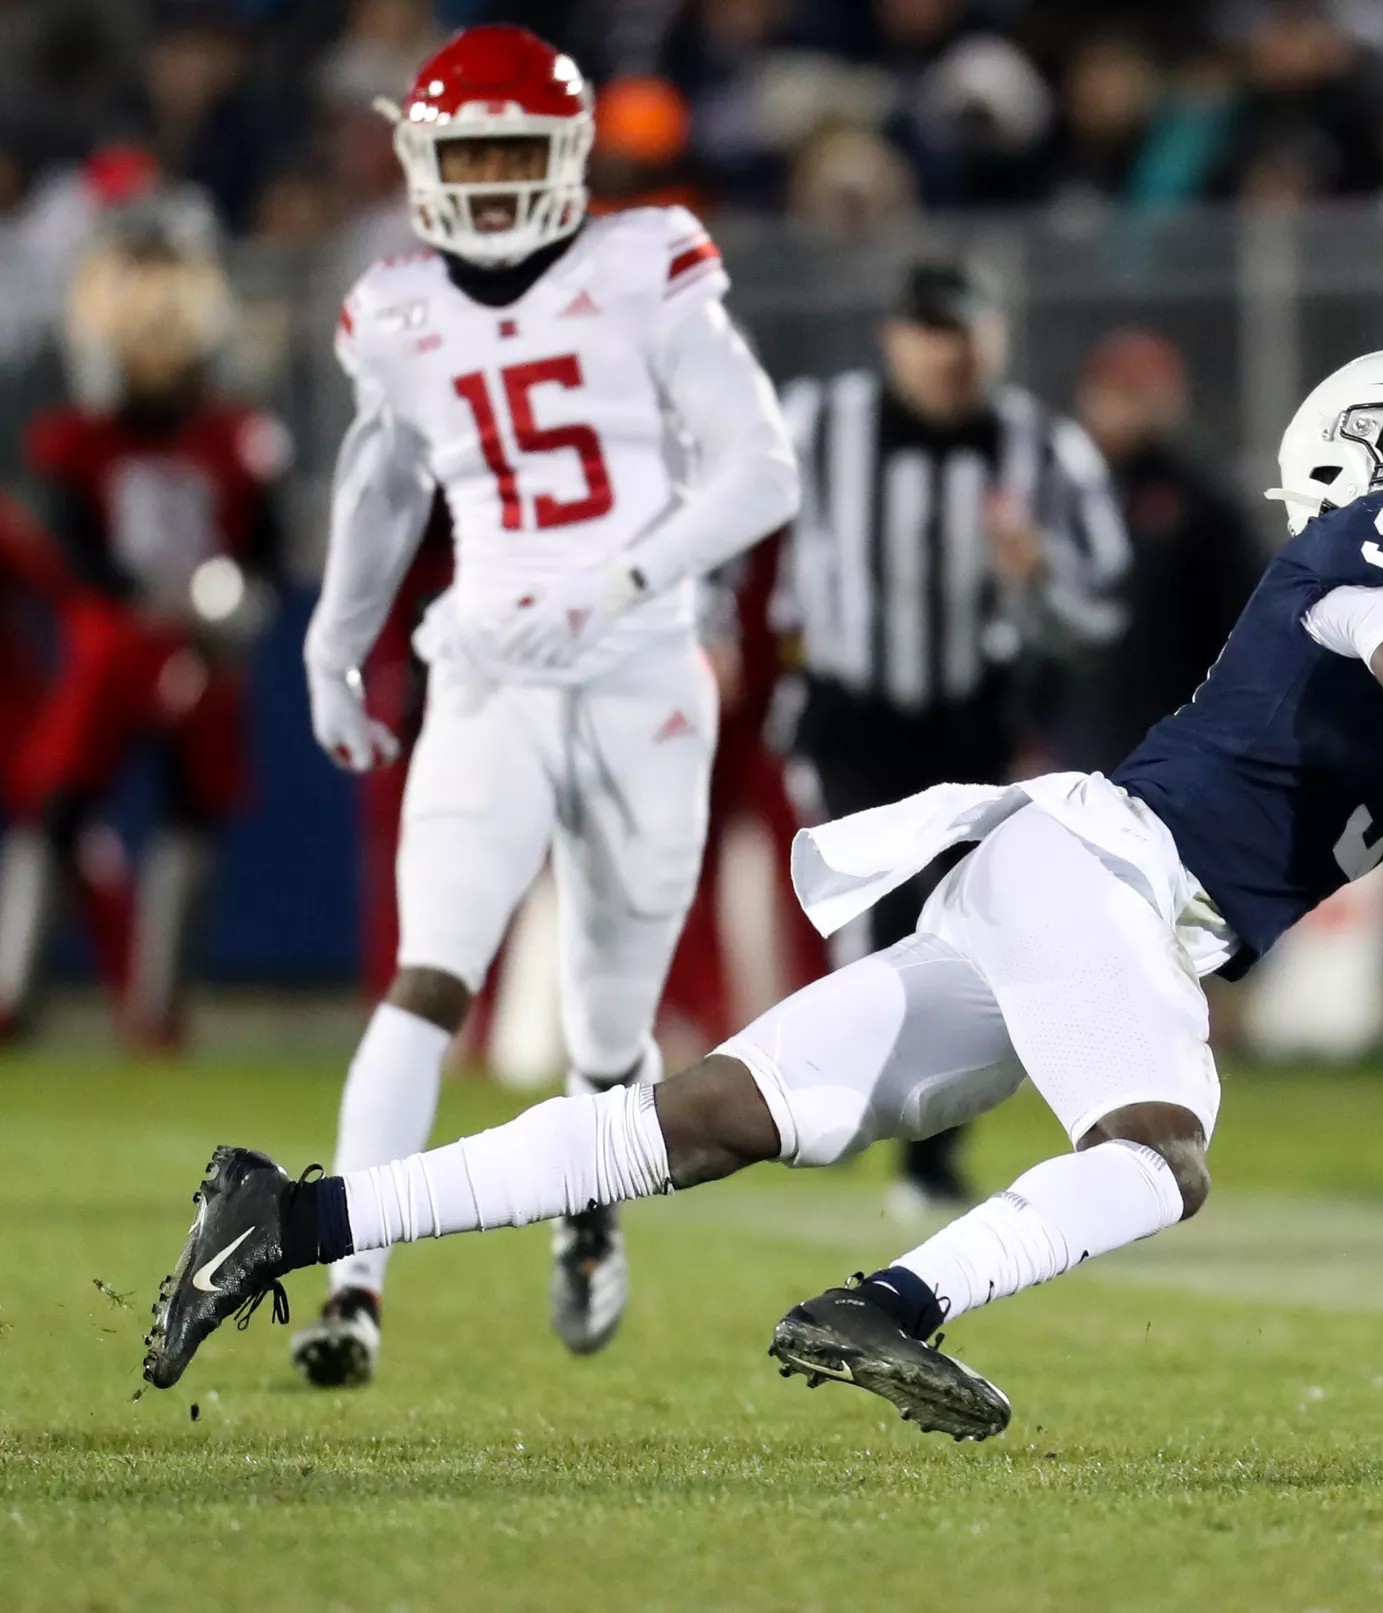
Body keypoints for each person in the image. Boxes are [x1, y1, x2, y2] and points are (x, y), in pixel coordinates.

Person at [144, 349, 1383, 1478]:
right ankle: (889, 1301)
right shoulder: (1372, 540)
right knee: (1158, 1150)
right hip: (1111, 876)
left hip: (1062, 884)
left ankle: (289, 1217)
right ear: (1364, 467)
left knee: (702, 1117)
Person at [281, 24, 800, 1389]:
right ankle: (352, 1285)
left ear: (570, 155)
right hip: (492, 670)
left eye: (522, 149)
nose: (500, 179)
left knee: (610, 1031)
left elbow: (761, 470)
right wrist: (336, 645)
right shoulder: (395, 307)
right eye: (475, 153)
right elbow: (382, 481)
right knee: (427, 977)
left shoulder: (646, 265)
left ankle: (589, 1206)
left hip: (642, 673)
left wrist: (617, 581)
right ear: (424, 160)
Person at [773, 257, 1129, 1217]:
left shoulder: (1042, 448)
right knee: (882, 910)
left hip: (975, 711)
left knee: (971, 926)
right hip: (853, 706)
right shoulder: (816, 425)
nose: (951, 353)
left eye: (967, 331)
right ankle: (846, 1102)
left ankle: (926, 1144)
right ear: (894, 338)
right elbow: (725, 518)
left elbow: (1098, 617)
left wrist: (1039, 571)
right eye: (932, 331)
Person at [0, 216, 288, 1050]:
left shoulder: (236, 434)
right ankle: (16, 988)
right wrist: (160, 600)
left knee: (189, 813)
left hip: (203, 644)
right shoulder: (79, 438)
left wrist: (232, 607)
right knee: (61, 807)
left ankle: (158, 1011)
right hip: (114, 639)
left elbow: (262, 546)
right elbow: (76, 548)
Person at [1063, 327, 1262, 766]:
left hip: (1177, 738)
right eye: (1124, 393)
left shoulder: (1201, 502)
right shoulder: (1061, 490)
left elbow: (1245, 621)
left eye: (1150, 392)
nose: (1137, 408)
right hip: (1080, 737)